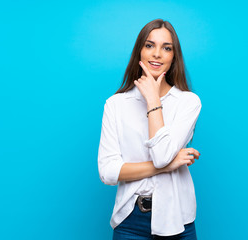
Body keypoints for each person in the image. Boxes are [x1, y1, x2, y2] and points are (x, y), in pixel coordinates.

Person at [98, 19, 202, 239]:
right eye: (149, 45)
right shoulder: (115, 104)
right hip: (130, 220)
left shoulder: (188, 102)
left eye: (166, 48)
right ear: (139, 52)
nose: (157, 54)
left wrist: (153, 99)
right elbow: (108, 172)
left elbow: (162, 155)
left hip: (177, 218)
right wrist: (167, 166)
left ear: (174, 57)